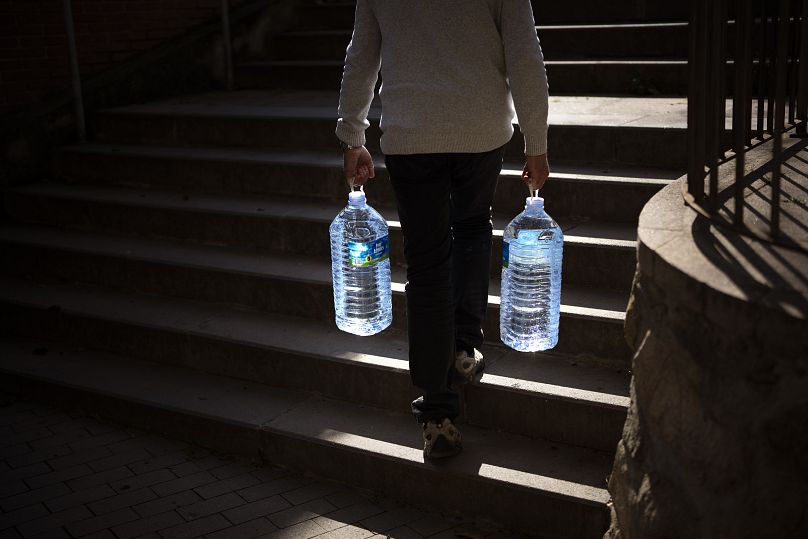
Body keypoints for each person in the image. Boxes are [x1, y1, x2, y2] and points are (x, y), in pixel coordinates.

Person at [335, 0, 550, 460]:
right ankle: (463, 347)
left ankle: (438, 415)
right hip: (481, 130)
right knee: (472, 229)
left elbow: (362, 54)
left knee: (428, 265)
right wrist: (537, 143)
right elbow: (525, 54)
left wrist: (353, 136)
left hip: (412, 136)